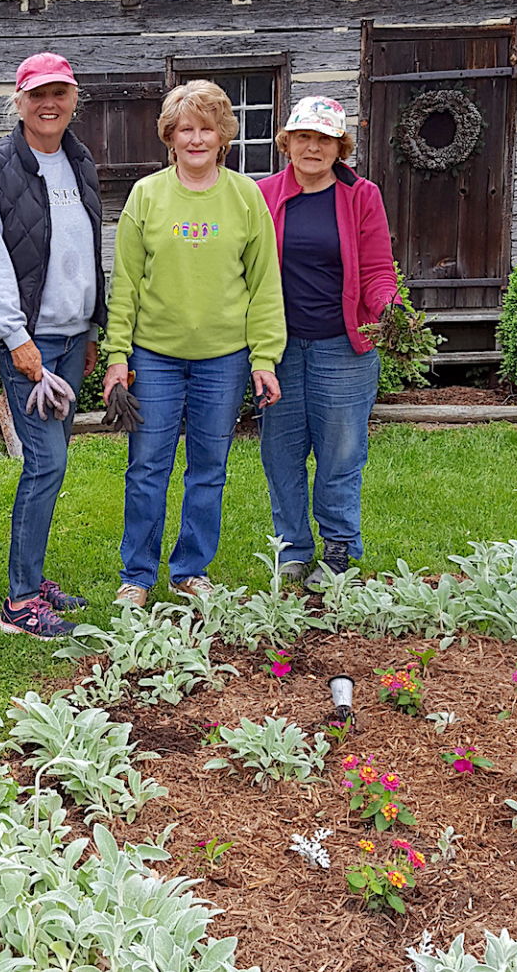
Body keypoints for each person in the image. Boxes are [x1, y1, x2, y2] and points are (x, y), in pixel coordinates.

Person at [103, 80, 285, 607]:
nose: (197, 138)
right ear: (170, 136)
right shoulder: (147, 195)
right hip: (155, 356)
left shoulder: (246, 197)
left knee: (209, 468)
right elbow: (127, 284)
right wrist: (118, 356)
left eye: (207, 128)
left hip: (224, 360)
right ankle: (136, 574)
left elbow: (263, 285)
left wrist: (264, 358)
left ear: (223, 135)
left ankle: (190, 569)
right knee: (147, 467)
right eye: (187, 128)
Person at [0, 52, 105, 639]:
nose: (50, 104)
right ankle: (19, 604)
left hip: (72, 338)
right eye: (38, 94)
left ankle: (34, 577)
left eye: (61, 93)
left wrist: (92, 326)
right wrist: (16, 339)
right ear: (18, 101)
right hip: (31, 342)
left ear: (74, 100)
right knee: (46, 464)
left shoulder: (79, 160)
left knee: (53, 464)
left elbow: (85, 250)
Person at [257, 95, 399, 586]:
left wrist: (391, 309)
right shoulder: (263, 194)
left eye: (324, 139)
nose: (312, 148)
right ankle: (293, 549)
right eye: (303, 137)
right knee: (281, 453)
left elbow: (379, 269)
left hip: (343, 347)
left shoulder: (362, 196)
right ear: (287, 142)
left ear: (341, 146)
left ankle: (337, 548)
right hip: (278, 349)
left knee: (341, 452)